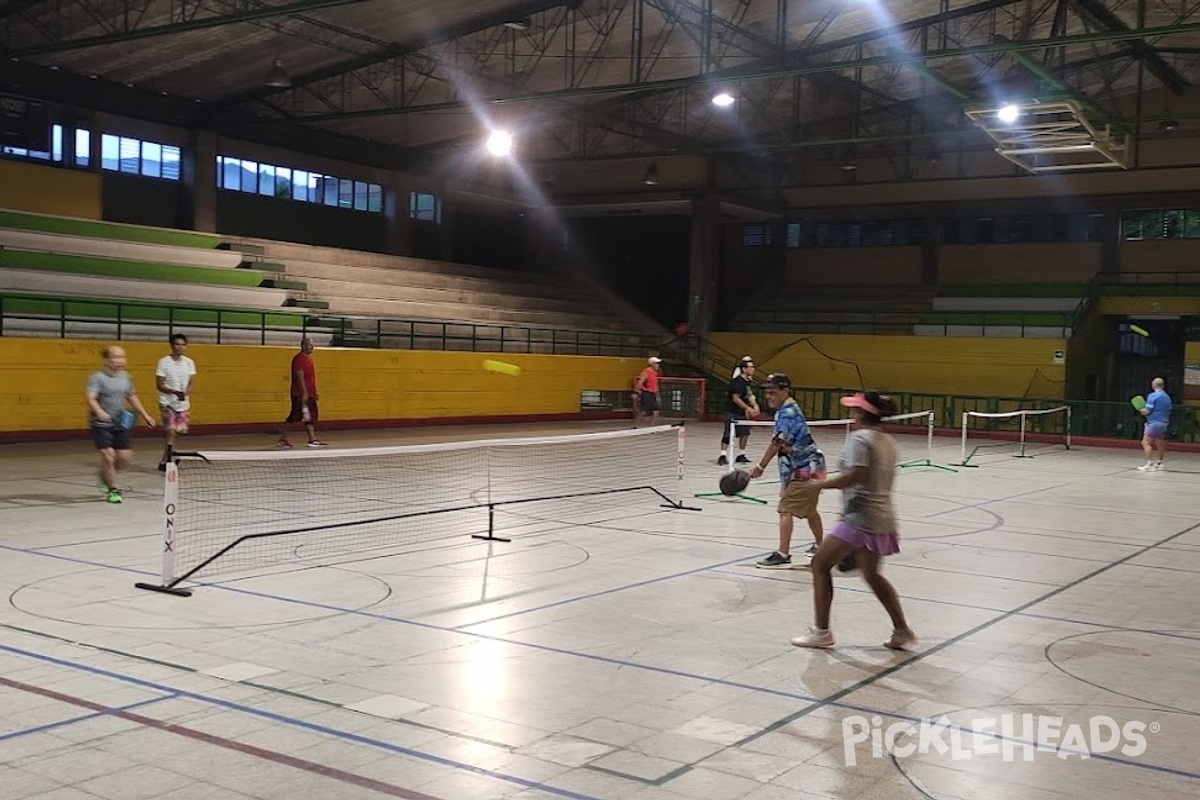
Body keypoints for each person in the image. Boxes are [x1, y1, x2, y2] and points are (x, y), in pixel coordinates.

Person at [791, 391, 916, 651]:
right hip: (883, 517)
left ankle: (821, 631)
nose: (851, 415)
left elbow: (856, 475)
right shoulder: (887, 440)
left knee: (820, 565)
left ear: (861, 413)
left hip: (859, 517)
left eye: (854, 410)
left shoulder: (859, 438)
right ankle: (902, 630)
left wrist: (819, 485)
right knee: (872, 575)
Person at [748, 373, 825, 569]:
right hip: (810, 465)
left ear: (785, 391)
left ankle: (783, 555)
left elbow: (777, 444)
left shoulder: (787, 413)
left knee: (785, 509)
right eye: (767, 393)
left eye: (773, 393)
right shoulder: (787, 409)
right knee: (809, 510)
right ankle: (820, 546)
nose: (769, 397)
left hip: (805, 468)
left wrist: (760, 466)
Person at [85, 346, 156, 504]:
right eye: (115, 357)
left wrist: (145, 415)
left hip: (120, 422)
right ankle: (113, 490)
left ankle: (105, 476)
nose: (119, 361)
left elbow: (131, 396)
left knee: (124, 458)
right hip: (101, 423)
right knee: (108, 456)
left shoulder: (126, 377)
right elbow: (91, 398)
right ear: (107, 359)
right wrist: (99, 411)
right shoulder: (97, 378)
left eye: (122, 357)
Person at [155, 333, 196, 471]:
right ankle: (167, 461)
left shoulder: (189, 362)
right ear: (172, 345)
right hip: (167, 402)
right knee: (171, 431)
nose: (179, 347)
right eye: (177, 344)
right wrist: (173, 392)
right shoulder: (163, 362)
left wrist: (186, 392)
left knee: (179, 430)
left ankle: (164, 460)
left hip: (182, 404)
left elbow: (191, 382)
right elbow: (160, 385)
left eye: (182, 344)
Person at [278, 338, 326, 448]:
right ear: (303, 346)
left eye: (312, 345)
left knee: (310, 417)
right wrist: (304, 393)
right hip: (299, 395)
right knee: (295, 416)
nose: (312, 348)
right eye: (310, 345)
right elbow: (300, 377)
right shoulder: (298, 359)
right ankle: (283, 438)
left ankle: (312, 439)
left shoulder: (309, 359)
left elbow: (311, 378)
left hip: (310, 394)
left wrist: (314, 392)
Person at [718, 356, 760, 466]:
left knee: (745, 433)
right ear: (744, 369)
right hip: (732, 411)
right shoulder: (737, 382)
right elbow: (736, 398)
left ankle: (741, 455)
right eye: (750, 367)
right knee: (728, 433)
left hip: (741, 413)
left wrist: (755, 405)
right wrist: (748, 408)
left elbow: (749, 394)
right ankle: (723, 455)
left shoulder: (748, 382)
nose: (753, 369)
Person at [1137, 377, 1172, 471]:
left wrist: (1141, 410)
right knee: (1160, 443)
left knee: (1145, 443)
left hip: (1153, 423)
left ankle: (1149, 463)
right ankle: (1160, 463)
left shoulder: (1152, 396)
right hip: (1164, 423)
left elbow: (1147, 411)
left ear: (1153, 385)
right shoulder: (1167, 397)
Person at [633, 356, 662, 427]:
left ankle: (652, 427)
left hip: (653, 394)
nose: (658, 365)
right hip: (646, 393)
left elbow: (655, 385)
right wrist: (636, 392)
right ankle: (635, 426)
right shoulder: (646, 372)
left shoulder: (655, 373)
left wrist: (657, 395)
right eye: (656, 363)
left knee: (656, 411)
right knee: (643, 411)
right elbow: (640, 382)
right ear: (652, 364)